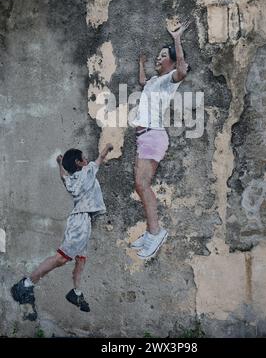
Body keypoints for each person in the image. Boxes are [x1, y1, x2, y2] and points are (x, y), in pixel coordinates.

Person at [11, 143, 113, 314]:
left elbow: (63, 177)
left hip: (82, 220)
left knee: (81, 259)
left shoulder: (71, 179)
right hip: (81, 221)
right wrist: (108, 147)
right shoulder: (87, 171)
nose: (87, 160)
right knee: (61, 258)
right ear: (79, 162)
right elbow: (100, 158)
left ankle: (76, 292)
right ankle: (26, 284)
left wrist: (60, 164)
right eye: (84, 158)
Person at [131, 20, 190, 260]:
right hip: (144, 137)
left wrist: (176, 39)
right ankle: (150, 231)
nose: (158, 58)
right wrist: (141, 65)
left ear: (173, 61)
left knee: (143, 185)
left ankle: (155, 232)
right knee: (139, 185)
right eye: (158, 55)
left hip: (153, 136)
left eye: (163, 56)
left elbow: (183, 71)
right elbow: (143, 84)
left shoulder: (169, 81)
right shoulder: (156, 81)